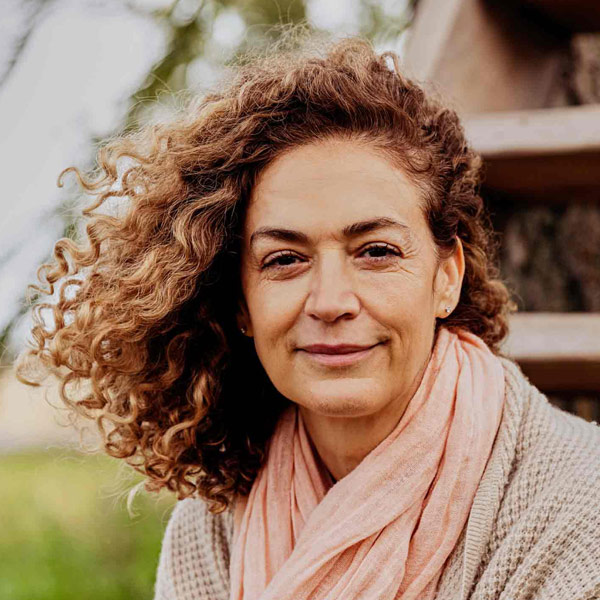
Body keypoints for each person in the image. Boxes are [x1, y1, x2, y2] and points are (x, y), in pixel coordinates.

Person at [16, 33, 600, 600]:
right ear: (241, 302)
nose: (329, 301)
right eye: (285, 259)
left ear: (446, 277)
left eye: (376, 252)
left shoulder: (578, 507)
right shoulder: (215, 522)